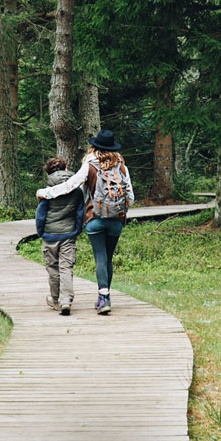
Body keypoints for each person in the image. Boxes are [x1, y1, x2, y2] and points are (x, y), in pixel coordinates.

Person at [36, 130, 134, 315]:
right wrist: (120, 212)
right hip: (116, 220)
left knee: (100, 257)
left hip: (95, 219)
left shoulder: (90, 163)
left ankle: (103, 299)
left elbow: (71, 185)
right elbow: (131, 196)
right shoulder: (121, 166)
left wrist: (45, 193)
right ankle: (104, 297)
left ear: (94, 146)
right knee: (108, 258)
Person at [35, 157, 85, 315]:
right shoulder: (76, 190)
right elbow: (80, 213)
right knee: (66, 267)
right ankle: (66, 301)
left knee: (52, 268)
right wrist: (77, 230)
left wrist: (41, 232)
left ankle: (56, 299)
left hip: (50, 234)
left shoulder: (47, 191)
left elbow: (41, 214)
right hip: (68, 234)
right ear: (66, 169)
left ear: (48, 173)